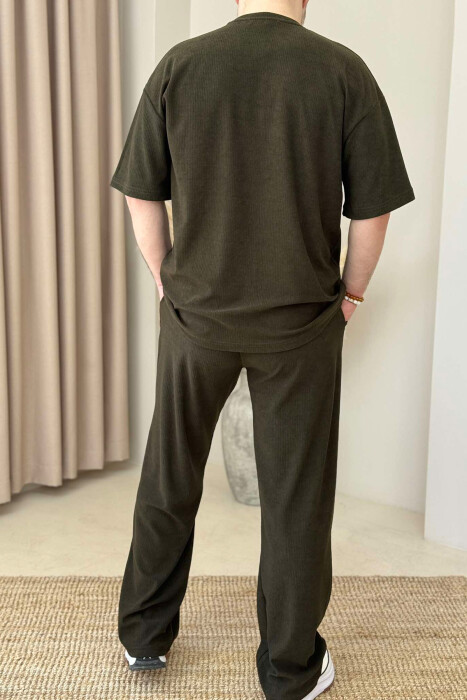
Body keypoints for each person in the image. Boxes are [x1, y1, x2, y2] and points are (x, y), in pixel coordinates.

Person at [109, 0, 415, 698]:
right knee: (295, 498)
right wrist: (351, 294)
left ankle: (143, 638)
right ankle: (289, 670)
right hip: (299, 327)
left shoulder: (181, 66)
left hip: (196, 318)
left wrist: (165, 279)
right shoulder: (341, 71)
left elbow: (139, 192)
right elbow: (372, 210)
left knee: (169, 475)